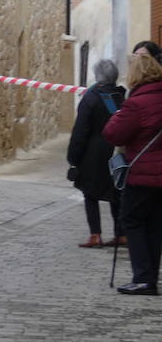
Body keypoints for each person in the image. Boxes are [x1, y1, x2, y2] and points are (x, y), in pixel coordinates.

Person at [103, 49, 162, 295]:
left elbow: (113, 134)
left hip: (142, 173)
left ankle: (143, 278)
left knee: (132, 221)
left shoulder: (136, 103)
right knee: (155, 225)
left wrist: (117, 116)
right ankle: (150, 277)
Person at [66, 59, 125, 248]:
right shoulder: (121, 97)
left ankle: (95, 235)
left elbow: (80, 131)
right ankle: (121, 234)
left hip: (93, 154)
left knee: (90, 194)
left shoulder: (91, 98)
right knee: (116, 192)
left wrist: (73, 158)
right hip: (116, 151)